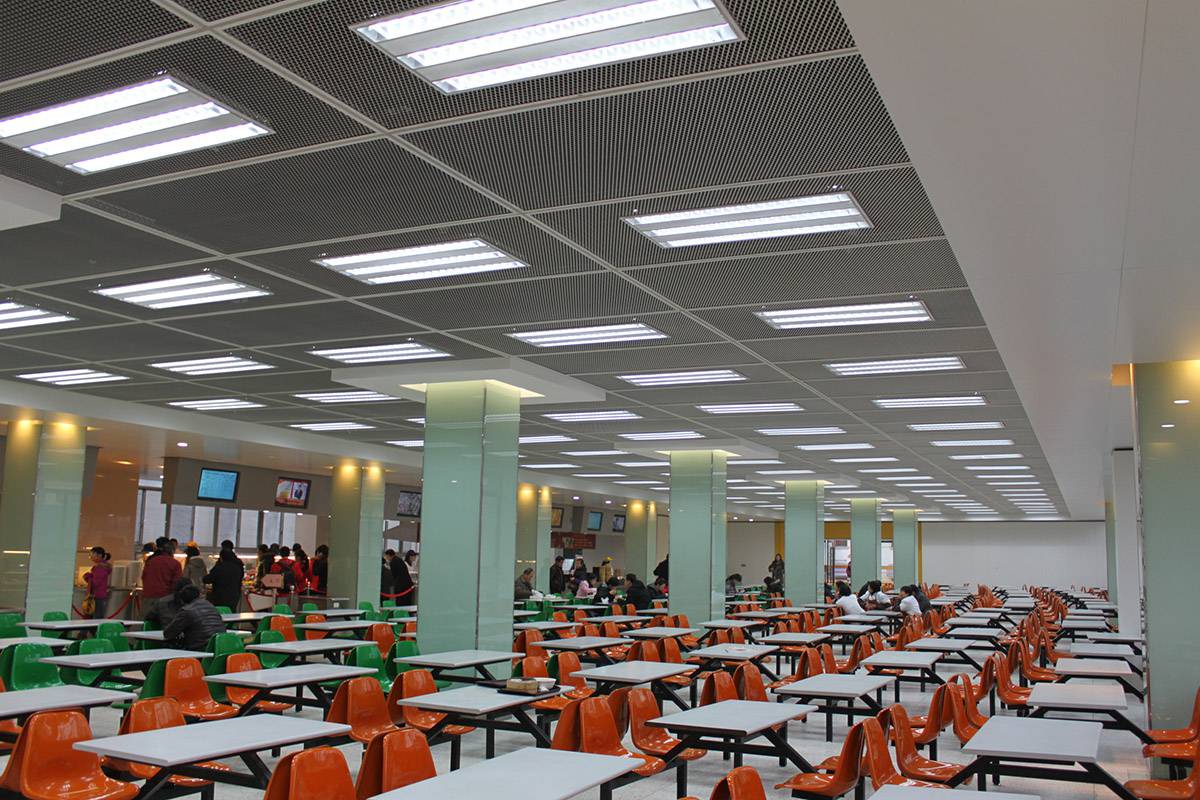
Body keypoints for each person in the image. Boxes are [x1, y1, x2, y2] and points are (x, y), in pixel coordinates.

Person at [162, 581, 226, 651]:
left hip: (201, 648)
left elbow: (168, 633)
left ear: (182, 600)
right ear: (198, 595)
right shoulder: (211, 606)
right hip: (221, 645)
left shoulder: (186, 611)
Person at [141, 537, 182, 618]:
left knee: (146, 622)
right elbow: (177, 584)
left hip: (148, 598)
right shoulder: (175, 563)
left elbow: (144, 577)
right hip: (166, 600)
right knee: (164, 623)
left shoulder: (151, 561)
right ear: (171, 550)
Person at [82, 547, 112, 619]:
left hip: (96, 596)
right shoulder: (103, 566)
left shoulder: (100, 568)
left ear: (99, 555)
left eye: (92, 554)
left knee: (95, 617)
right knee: (97, 616)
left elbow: (95, 583)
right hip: (100, 595)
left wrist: (87, 576)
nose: (91, 556)